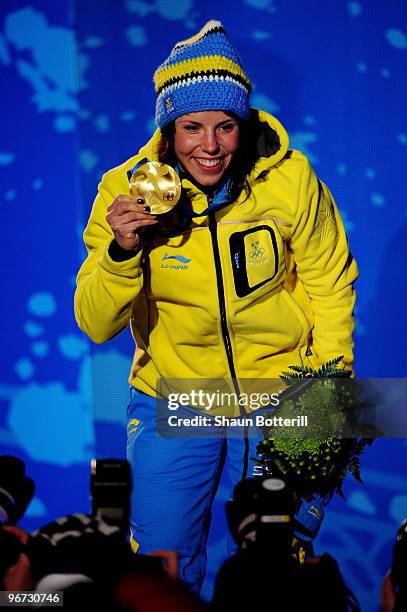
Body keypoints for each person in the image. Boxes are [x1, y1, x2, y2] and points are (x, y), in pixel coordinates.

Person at [74, 20, 359, 594]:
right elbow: (95, 322)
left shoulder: (291, 179)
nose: (210, 146)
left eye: (225, 126)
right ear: (166, 131)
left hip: (281, 393)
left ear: (243, 123)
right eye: (192, 127)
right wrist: (122, 250)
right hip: (176, 396)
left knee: (277, 572)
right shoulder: (123, 192)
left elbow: (331, 285)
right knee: (162, 572)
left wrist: (330, 398)